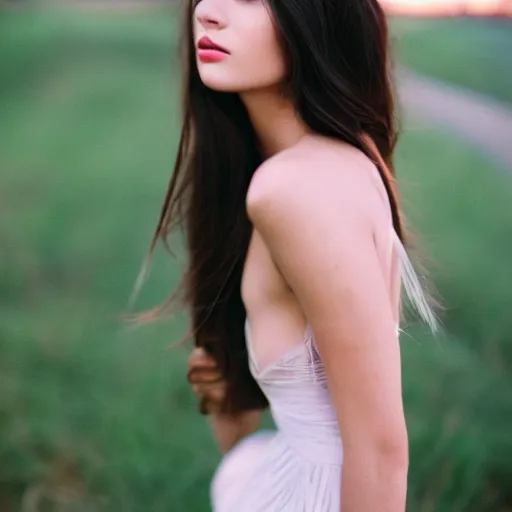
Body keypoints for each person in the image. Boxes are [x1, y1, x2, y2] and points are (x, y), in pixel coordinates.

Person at [139, 0, 439, 510]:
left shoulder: (294, 189)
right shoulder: (336, 159)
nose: (208, 12)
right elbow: (256, 428)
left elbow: (382, 451)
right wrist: (225, 388)